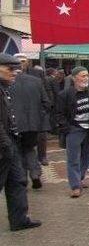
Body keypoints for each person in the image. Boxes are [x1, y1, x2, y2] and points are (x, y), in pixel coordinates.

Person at [0, 54, 41, 232]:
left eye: (16, 69)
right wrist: (7, 146)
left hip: (11, 144)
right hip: (4, 146)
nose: (14, 72)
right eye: (10, 69)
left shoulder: (4, 88)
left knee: (17, 181)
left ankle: (19, 219)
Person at [57, 66, 89, 198]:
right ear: (74, 78)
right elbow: (59, 114)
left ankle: (80, 178)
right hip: (74, 129)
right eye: (82, 76)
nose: (86, 78)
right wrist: (67, 128)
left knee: (87, 156)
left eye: (87, 75)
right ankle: (75, 186)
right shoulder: (65, 95)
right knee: (73, 158)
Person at [11, 60, 50, 190]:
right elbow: (46, 102)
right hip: (33, 124)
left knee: (18, 151)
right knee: (29, 148)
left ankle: (22, 178)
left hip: (13, 123)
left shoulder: (8, 83)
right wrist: (39, 116)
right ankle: (34, 173)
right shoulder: (36, 81)